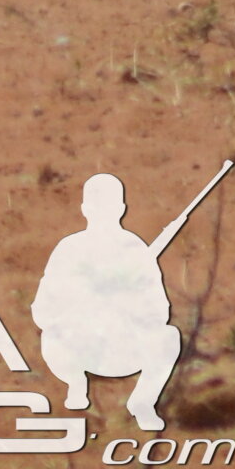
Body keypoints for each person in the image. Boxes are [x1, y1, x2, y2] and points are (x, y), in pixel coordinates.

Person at [38, 171, 197, 430]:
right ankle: (76, 384)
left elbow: (160, 311)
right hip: (80, 348)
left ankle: (143, 402)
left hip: (123, 348)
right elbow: (43, 309)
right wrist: (81, 306)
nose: (103, 212)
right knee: (51, 336)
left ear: (121, 209)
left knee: (169, 337)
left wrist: (127, 303)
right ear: (85, 209)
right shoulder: (69, 249)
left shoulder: (136, 251)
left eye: (108, 206)